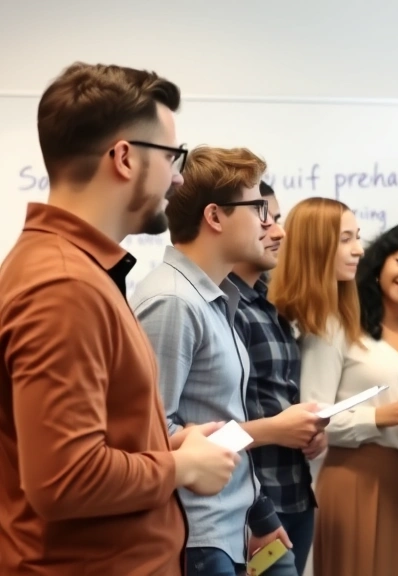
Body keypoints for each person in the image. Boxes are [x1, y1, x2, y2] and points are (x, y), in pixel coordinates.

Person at [0, 62, 238, 575]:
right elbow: (64, 479)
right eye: (173, 157)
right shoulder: (63, 286)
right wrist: (180, 466)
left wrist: (162, 444)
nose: (178, 178)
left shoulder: (75, 269)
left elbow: (80, 443)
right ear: (125, 157)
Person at [132, 146, 325, 576]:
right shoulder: (173, 300)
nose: (268, 222)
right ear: (215, 217)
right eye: (258, 207)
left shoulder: (214, 297)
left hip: (234, 524)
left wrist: (259, 513)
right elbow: (152, 433)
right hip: (200, 534)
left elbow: (218, 416)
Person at [292, 219, 398, 576]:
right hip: (352, 477)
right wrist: (379, 417)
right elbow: (311, 418)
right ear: (380, 261)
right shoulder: (336, 323)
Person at [229, 181, 328, 576]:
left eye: (278, 218)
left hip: (295, 493)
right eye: (263, 217)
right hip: (251, 506)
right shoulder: (220, 305)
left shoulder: (272, 301)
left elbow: (279, 396)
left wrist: (308, 430)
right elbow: (203, 428)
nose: (279, 231)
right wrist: (276, 429)